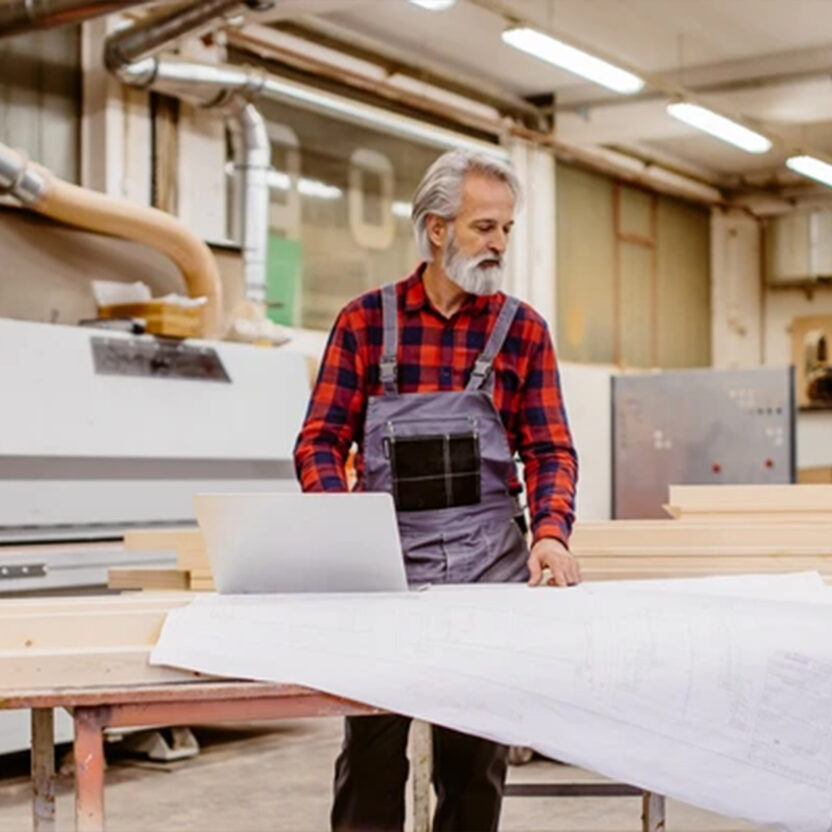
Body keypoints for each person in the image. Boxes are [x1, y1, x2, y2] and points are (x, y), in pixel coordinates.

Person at [294, 148, 579, 832]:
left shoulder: (523, 331)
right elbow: (320, 443)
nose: (500, 244)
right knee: (371, 756)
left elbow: (548, 448)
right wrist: (345, 534)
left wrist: (548, 533)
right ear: (436, 229)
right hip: (385, 575)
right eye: (485, 227)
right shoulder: (365, 323)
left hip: (488, 573)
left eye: (507, 229)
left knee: (474, 765)